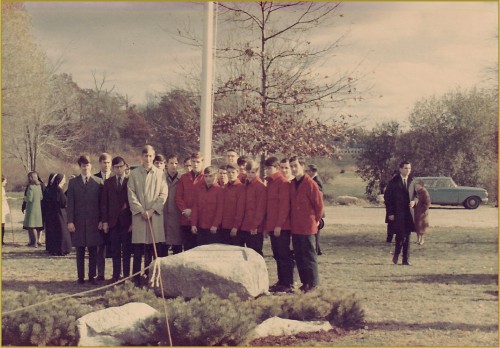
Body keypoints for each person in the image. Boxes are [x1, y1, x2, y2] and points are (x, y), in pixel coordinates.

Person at [128, 145, 168, 286]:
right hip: (140, 217)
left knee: (153, 248)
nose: (148, 158)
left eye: (151, 156)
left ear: (154, 156)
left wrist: (152, 210)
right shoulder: (134, 173)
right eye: (146, 156)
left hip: (154, 216)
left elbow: (163, 194)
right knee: (138, 249)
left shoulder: (160, 173)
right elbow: (131, 193)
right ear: (142, 157)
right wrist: (140, 210)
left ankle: (152, 278)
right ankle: (136, 279)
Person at [67, 155, 104, 284]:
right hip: (78, 222)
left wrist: (101, 220)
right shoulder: (73, 183)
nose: (86, 168)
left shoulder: (98, 182)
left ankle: (92, 276)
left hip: (94, 223)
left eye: (88, 165)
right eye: (83, 166)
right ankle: (81, 277)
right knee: (80, 251)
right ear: (80, 167)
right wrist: (70, 221)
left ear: (91, 166)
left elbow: (102, 204)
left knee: (93, 250)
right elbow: (70, 203)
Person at [289, 156, 323, 292]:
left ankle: (313, 283)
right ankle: (305, 282)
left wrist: (316, 220)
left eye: (295, 166)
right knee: (299, 255)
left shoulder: (310, 184)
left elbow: (319, 205)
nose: (293, 169)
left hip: (308, 226)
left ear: (302, 166)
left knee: (309, 255)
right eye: (291, 166)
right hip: (296, 226)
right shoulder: (292, 183)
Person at [264, 157, 294, 293]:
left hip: (281, 226)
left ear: (276, 168)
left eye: (270, 168)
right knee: (277, 254)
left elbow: (283, 207)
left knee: (283, 255)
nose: (267, 170)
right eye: (266, 168)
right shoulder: (270, 182)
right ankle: (282, 281)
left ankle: (288, 283)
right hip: (272, 225)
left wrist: (278, 225)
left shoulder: (282, 182)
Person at [101, 156, 133, 282]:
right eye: (116, 167)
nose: (119, 169)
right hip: (113, 222)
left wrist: (132, 222)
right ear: (113, 168)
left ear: (125, 166)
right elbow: (104, 203)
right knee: (115, 250)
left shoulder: (130, 181)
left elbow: (133, 203)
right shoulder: (108, 183)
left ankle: (126, 275)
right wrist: (104, 221)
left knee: (126, 250)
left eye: (121, 166)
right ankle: (115, 275)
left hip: (126, 222)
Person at [384, 161, 415, 266]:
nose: (408, 170)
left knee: (408, 236)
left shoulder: (412, 181)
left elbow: (417, 195)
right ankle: (397, 254)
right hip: (397, 214)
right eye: (406, 168)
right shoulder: (394, 182)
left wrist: (414, 201)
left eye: (409, 168)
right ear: (400, 169)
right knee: (401, 235)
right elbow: (387, 199)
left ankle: (405, 260)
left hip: (409, 214)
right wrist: (390, 213)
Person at [175, 152, 205, 251]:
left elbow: (207, 199)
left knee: (200, 250)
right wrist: (185, 210)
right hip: (186, 219)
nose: (195, 164)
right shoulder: (184, 177)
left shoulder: (207, 177)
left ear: (202, 162)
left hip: (200, 221)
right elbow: (178, 196)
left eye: (198, 162)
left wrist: (193, 211)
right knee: (188, 249)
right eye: (193, 161)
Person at [238, 160, 267, 255]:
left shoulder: (260, 186)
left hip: (254, 228)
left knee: (256, 253)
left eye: (253, 172)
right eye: (248, 172)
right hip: (244, 225)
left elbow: (260, 209)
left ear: (257, 172)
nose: (250, 174)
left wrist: (255, 225)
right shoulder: (246, 185)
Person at [191, 166, 224, 246]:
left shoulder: (219, 190)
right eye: (206, 176)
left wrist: (215, 225)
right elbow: (195, 208)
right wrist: (193, 224)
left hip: (213, 228)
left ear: (215, 176)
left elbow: (220, 210)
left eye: (210, 176)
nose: (208, 179)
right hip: (201, 227)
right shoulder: (200, 190)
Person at [94, 153, 113, 281]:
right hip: (99, 220)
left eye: (108, 163)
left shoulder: (116, 176)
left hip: (114, 219)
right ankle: (100, 273)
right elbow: (96, 202)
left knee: (116, 248)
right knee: (100, 248)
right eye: (104, 162)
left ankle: (117, 274)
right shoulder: (94, 178)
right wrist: (100, 219)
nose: (106, 165)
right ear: (100, 163)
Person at [44, 174, 72, 256]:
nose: (65, 181)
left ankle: (54, 249)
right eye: (64, 179)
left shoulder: (51, 189)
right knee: (62, 232)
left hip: (53, 214)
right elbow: (63, 203)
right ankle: (63, 249)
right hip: (60, 214)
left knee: (55, 232)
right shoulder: (59, 190)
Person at [161, 154, 183, 255]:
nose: (174, 165)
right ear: (166, 164)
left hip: (177, 218)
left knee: (177, 248)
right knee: (162, 249)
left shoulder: (182, 179)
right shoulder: (160, 178)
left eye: (176, 163)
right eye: (171, 163)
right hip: (163, 217)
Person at [220, 163, 245, 245]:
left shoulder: (241, 188)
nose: (230, 174)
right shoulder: (225, 187)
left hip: (234, 228)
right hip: (224, 226)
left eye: (233, 172)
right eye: (229, 172)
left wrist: (235, 227)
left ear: (237, 173)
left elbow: (240, 209)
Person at [305, 164, 324, 256]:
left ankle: (316, 251)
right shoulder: (314, 180)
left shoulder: (316, 181)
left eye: (307, 171)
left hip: (316, 211)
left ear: (312, 172)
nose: (306, 173)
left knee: (315, 232)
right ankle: (317, 250)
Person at [22, 172, 44, 248]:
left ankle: (34, 243)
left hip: (31, 208)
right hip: (38, 208)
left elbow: (29, 199)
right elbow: (41, 197)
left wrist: (24, 198)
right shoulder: (39, 186)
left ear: (31, 178)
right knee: (35, 225)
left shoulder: (30, 187)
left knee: (31, 225)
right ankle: (35, 241)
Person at [413, 179, 431, 245]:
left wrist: (422, 210)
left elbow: (427, 203)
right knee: (417, 226)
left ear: (420, 184)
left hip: (422, 213)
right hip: (416, 212)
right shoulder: (416, 192)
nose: (416, 185)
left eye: (417, 184)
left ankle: (422, 239)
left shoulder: (424, 192)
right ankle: (418, 239)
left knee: (421, 226)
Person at [2, 176, 11, 245]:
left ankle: (2, 240)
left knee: (3, 224)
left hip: (3, 208)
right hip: (2, 208)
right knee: (2, 224)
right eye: (5, 181)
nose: (6, 182)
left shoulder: (2, 188)